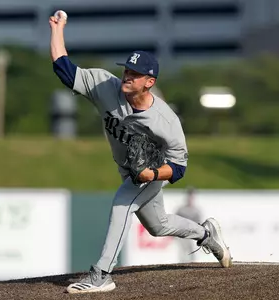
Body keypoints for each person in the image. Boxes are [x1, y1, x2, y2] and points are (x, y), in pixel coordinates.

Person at [49, 11, 232, 294]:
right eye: (126, 70)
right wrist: (57, 29)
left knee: (122, 204)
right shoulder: (104, 86)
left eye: (134, 74)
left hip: (151, 170)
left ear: (149, 82)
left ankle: (102, 274)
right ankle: (206, 234)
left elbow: (180, 167)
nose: (127, 76)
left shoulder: (166, 121)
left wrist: (152, 173)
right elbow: (64, 69)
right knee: (158, 226)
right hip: (127, 167)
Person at [175, 186, 203, 263]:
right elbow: (175, 221)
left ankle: (192, 265)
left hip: (192, 235)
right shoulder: (181, 210)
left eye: (192, 196)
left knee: (192, 250)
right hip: (182, 235)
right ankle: (182, 264)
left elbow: (199, 224)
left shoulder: (196, 211)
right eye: (190, 196)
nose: (191, 198)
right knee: (184, 251)